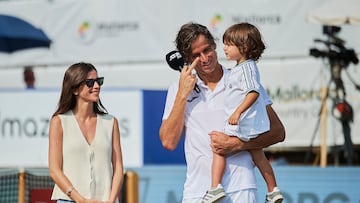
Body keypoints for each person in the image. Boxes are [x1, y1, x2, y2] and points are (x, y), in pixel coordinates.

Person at [159, 22, 285, 203]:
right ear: (187, 57)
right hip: (197, 192)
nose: (204, 58)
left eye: (207, 50)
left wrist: (235, 144)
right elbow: (168, 142)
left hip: (241, 188)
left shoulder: (243, 79)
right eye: (196, 55)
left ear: (215, 45)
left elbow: (278, 132)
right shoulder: (177, 90)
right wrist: (182, 94)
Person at [204, 22, 283, 203]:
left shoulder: (247, 68)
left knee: (218, 149)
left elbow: (253, 91)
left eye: (229, 45)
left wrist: (238, 112)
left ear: (244, 47)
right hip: (248, 125)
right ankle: (273, 190)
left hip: (243, 124)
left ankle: (215, 187)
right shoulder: (240, 69)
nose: (225, 48)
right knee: (258, 155)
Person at [48, 62, 124, 203]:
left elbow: (118, 167)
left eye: (98, 81)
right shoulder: (59, 122)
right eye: (90, 82)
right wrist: (80, 199)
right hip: (69, 201)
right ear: (75, 89)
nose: (96, 86)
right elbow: (54, 169)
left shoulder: (111, 122)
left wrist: (112, 200)